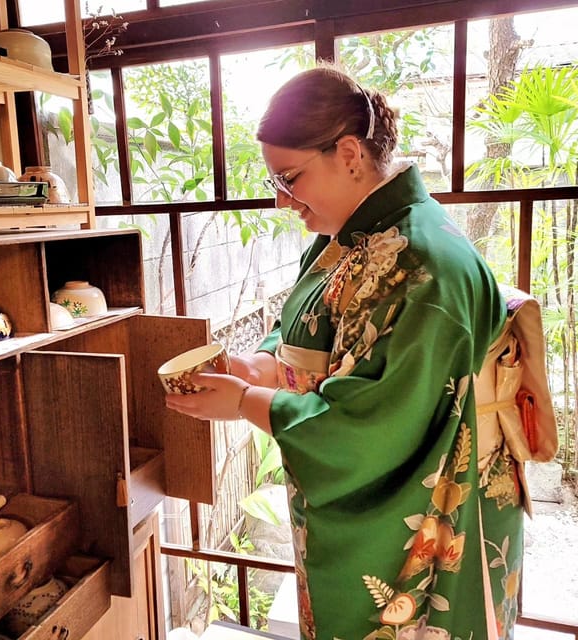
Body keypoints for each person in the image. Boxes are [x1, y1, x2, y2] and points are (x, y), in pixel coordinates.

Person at [166, 65, 527, 640]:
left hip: (435, 489)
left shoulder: (422, 265)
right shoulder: (350, 239)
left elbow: (373, 420)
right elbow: (307, 336)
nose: (282, 201)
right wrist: (257, 368)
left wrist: (245, 403)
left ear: (350, 152)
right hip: (401, 469)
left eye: (289, 178)